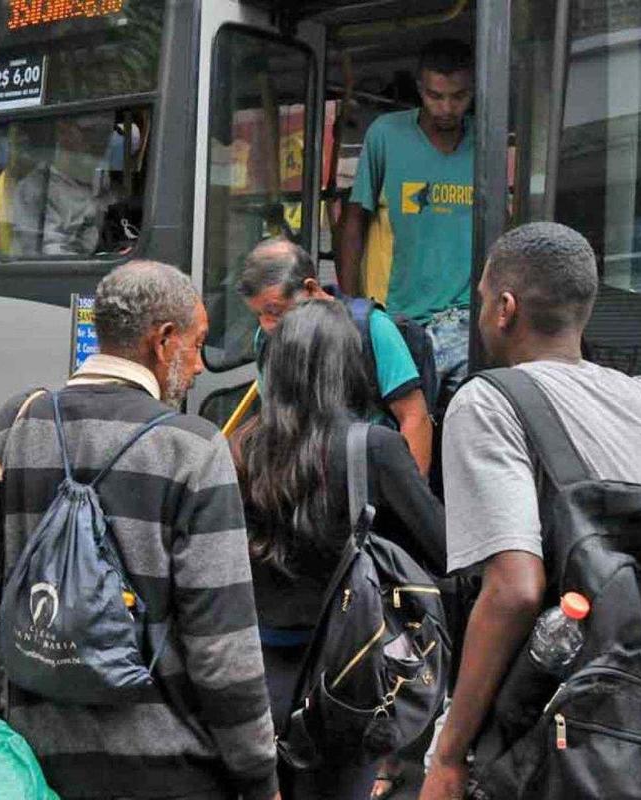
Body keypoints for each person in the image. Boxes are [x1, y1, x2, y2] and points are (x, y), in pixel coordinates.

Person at [0, 260, 280, 800]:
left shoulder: (20, 423)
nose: (198, 366)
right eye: (197, 345)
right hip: (167, 772)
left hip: (35, 763)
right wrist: (259, 775)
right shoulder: (194, 449)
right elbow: (221, 646)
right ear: (163, 341)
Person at [419, 222, 641, 800]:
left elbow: (515, 589)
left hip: (534, 718)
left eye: (484, 298)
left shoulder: (487, 403)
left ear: (506, 309)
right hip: (630, 727)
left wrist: (449, 755)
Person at [236, 299, 447, 800]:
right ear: (346, 369)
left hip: (253, 669)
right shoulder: (372, 447)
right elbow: (442, 549)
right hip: (344, 674)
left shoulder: (241, 447)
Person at [339, 38, 475, 398]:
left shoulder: (484, 139)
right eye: (435, 96)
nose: (446, 108)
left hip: (465, 319)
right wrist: (350, 310)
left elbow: (502, 229)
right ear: (419, 89)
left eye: (459, 97)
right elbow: (353, 222)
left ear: (474, 91)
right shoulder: (386, 135)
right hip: (395, 319)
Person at [239, 237, 433, 476]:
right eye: (258, 315)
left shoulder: (371, 328)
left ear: (311, 289)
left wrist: (408, 490)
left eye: (275, 311)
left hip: (369, 473)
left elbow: (414, 417)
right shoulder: (266, 339)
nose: (267, 325)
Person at [12, 113, 116, 256]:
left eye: (105, 134)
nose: (99, 142)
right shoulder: (37, 188)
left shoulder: (100, 181)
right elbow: (47, 254)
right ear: (63, 132)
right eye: (90, 132)